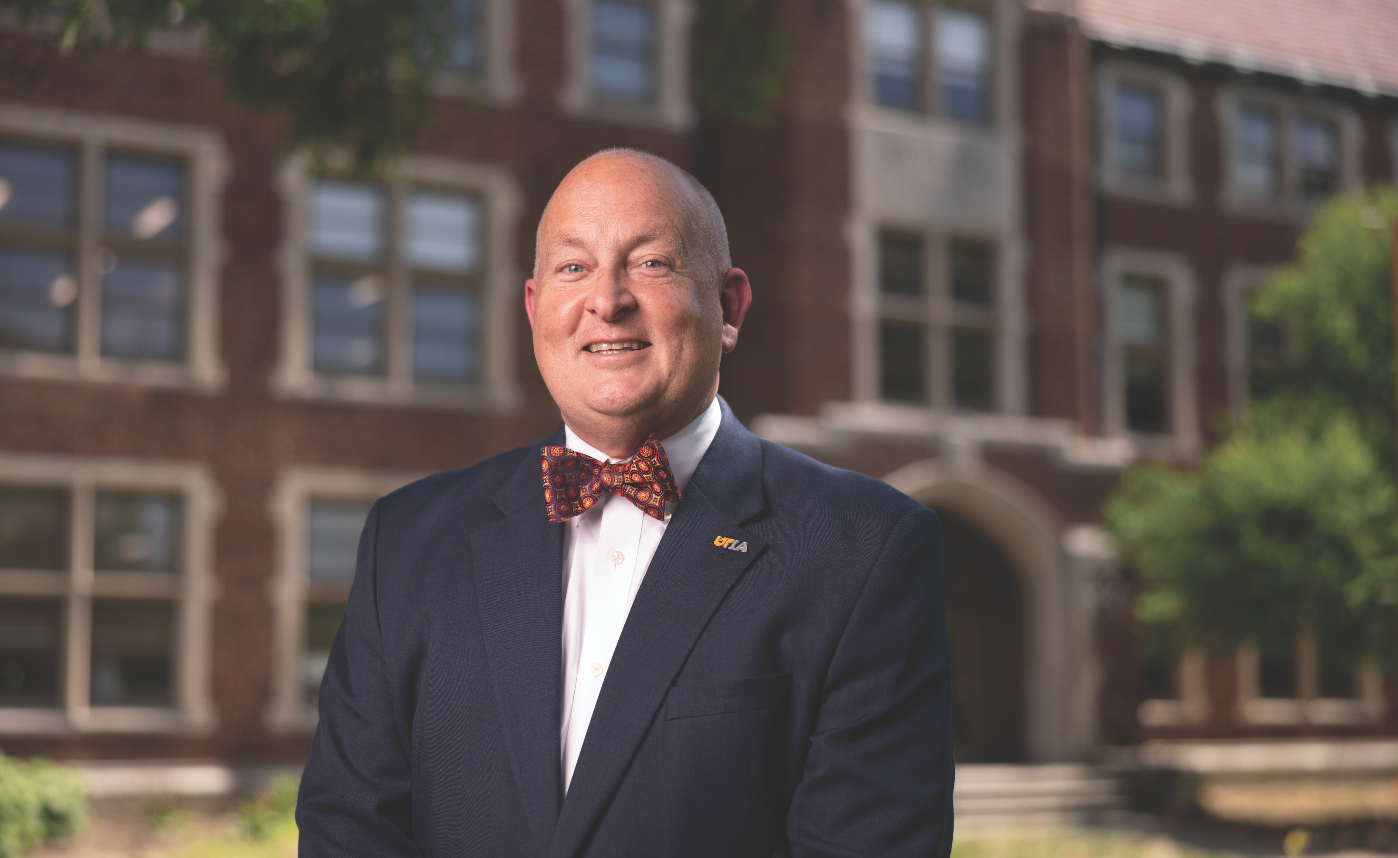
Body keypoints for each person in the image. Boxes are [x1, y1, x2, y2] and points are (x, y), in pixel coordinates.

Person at [296, 149, 955, 857]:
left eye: (651, 264)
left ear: (729, 308)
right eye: (573, 268)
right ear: (534, 307)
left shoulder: (863, 548)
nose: (606, 301)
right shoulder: (406, 540)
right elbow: (349, 831)